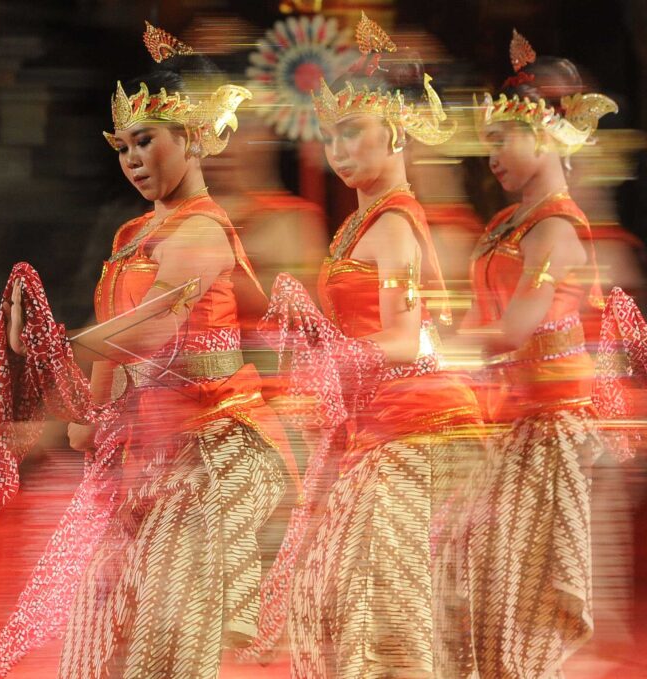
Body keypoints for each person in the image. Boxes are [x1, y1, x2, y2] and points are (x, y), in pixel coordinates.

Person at [0, 22, 292, 679]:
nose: (132, 159)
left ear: (194, 138)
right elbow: (111, 348)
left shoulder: (202, 232)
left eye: (146, 140)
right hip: (148, 446)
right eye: (123, 146)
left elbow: (149, 335)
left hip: (213, 448)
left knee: (167, 633)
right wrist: (90, 417)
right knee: (100, 621)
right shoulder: (130, 235)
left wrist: (51, 342)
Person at [266, 13, 484, 677]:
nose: (339, 150)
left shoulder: (390, 225)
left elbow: (406, 339)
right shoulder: (361, 222)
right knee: (343, 596)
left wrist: (331, 358)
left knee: (379, 605)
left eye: (353, 131)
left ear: (395, 131)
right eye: (331, 135)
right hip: (381, 426)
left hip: (415, 427)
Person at [461, 30, 617, 676]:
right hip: (504, 424)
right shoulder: (505, 225)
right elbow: (481, 323)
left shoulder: (556, 229)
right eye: (489, 140)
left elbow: (513, 329)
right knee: (483, 593)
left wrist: (424, 347)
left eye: (504, 138)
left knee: (519, 605)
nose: (492, 154)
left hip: (550, 435)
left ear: (547, 136)